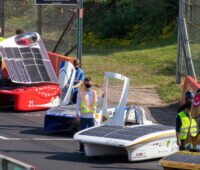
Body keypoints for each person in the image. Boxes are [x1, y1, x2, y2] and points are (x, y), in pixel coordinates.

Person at [76, 77, 97, 154]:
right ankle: (81, 149)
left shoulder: (94, 93)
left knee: (92, 134)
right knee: (81, 133)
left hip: (91, 117)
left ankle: (92, 149)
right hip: (83, 117)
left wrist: (103, 97)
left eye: (89, 81)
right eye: (86, 81)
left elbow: (97, 103)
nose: (88, 83)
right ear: (84, 83)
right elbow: (77, 104)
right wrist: (77, 114)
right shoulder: (80, 93)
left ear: (91, 83)